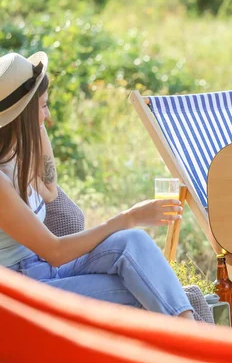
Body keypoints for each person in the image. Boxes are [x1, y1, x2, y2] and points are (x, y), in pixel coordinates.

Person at [0, 51, 195, 320]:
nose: (47, 115)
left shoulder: (15, 157)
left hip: (46, 271)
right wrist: (130, 217)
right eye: (43, 107)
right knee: (141, 289)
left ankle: (193, 336)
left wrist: (33, 119)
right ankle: (196, 345)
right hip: (24, 292)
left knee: (134, 241)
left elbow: (50, 189)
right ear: (21, 118)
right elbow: (55, 251)